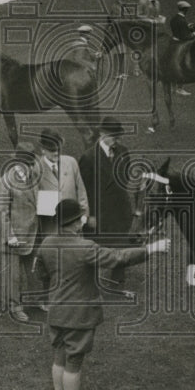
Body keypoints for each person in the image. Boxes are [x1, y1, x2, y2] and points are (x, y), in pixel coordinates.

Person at [37, 198, 170, 390]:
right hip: (79, 315)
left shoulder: (46, 243)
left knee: (59, 356)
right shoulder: (85, 248)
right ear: (78, 222)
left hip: (56, 310)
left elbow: (42, 274)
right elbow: (118, 258)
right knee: (74, 361)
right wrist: (151, 248)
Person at [77, 117, 137, 289]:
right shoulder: (88, 157)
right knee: (96, 249)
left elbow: (125, 178)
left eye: (118, 136)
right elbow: (84, 190)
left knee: (120, 248)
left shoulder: (123, 152)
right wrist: (89, 215)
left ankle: (117, 282)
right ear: (102, 134)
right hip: (99, 213)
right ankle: (89, 281)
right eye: (113, 136)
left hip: (120, 210)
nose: (117, 140)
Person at [0, 141, 44, 322]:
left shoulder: (34, 176)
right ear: (19, 164)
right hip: (14, 236)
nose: (32, 167)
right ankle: (15, 307)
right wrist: (10, 236)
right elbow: (0, 211)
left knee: (34, 270)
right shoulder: (5, 182)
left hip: (32, 232)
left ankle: (38, 300)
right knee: (13, 276)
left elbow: (40, 200)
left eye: (32, 163)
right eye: (29, 164)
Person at [169, 0, 195, 96]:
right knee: (182, 66)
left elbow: (177, 31)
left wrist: (187, 26)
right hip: (181, 45)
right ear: (186, 10)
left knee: (173, 65)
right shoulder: (182, 20)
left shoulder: (174, 18)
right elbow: (185, 36)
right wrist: (193, 34)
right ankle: (180, 88)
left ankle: (173, 87)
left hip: (173, 43)